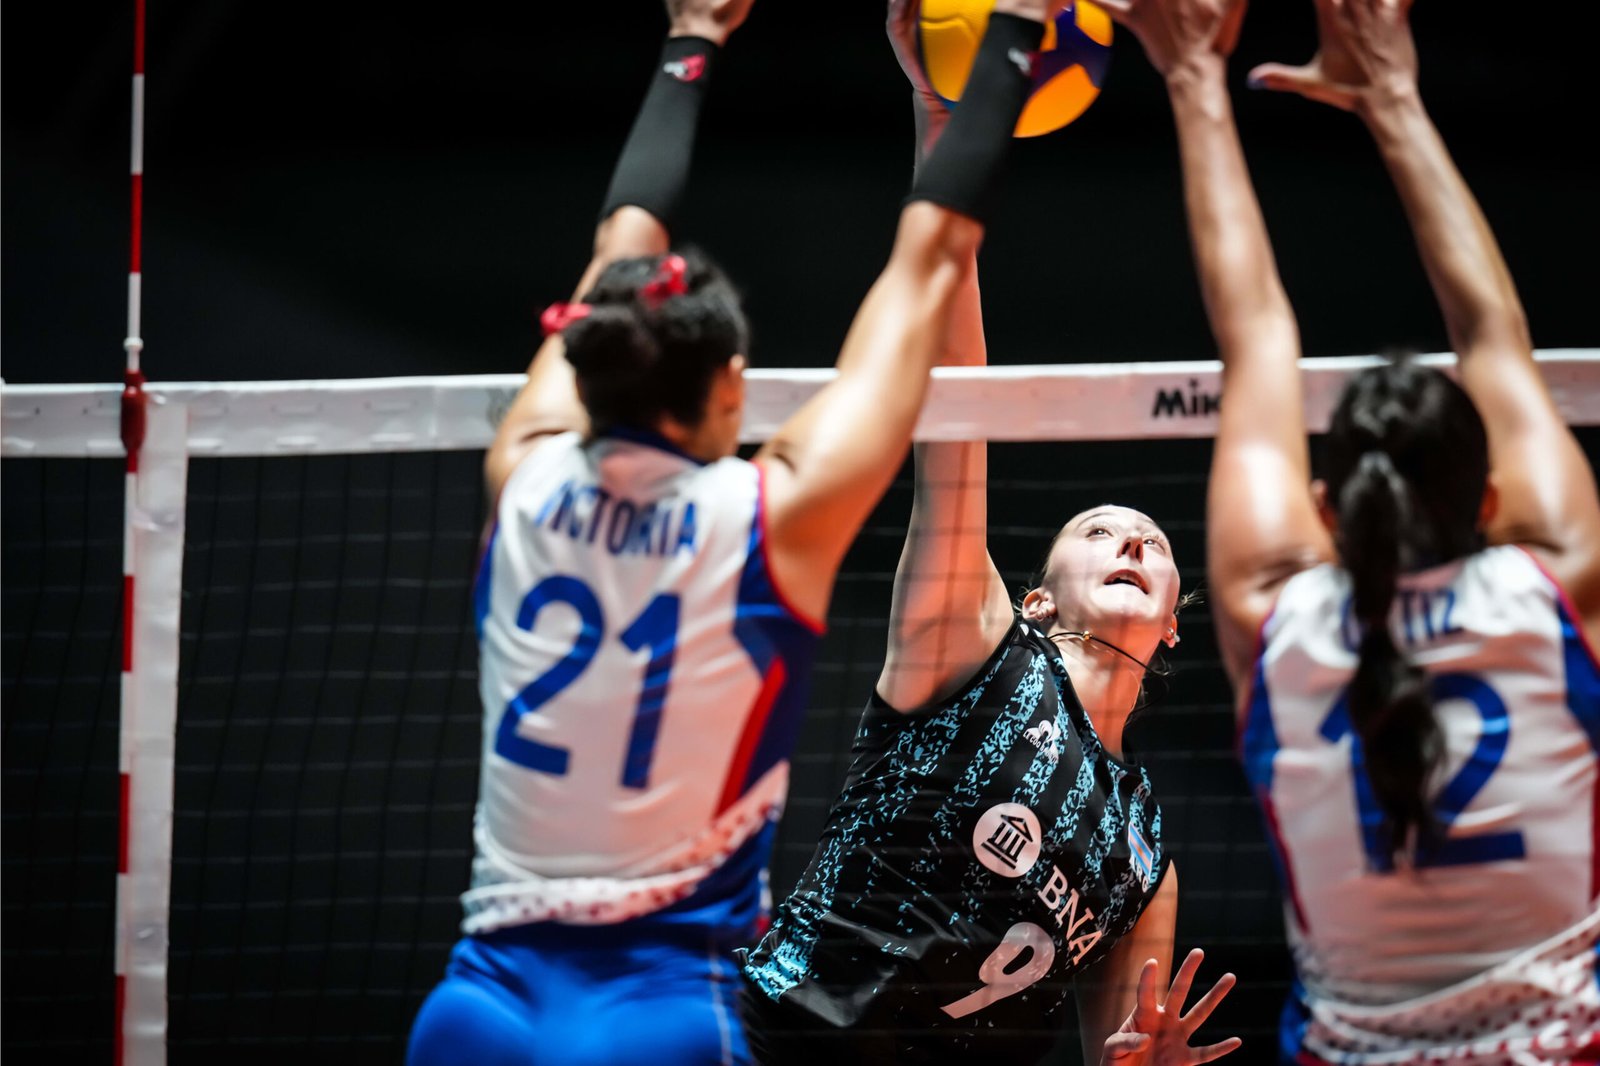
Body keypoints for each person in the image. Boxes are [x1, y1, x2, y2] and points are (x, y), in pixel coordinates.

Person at [405, 0, 1073, 1062]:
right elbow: (930, 256)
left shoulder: (523, 467)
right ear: (729, 386)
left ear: (587, 364)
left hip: (475, 1004)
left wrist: (690, 39)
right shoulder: (767, 521)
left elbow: (624, 237)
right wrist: (1014, 30)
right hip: (651, 1011)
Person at [737, 5, 1242, 1064]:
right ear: (1036, 598)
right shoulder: (974, 649)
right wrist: (939, 117)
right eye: (1101, 529)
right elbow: (954, 408)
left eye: (1149, 541)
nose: (1134, 542)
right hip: (781, 1044)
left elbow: (1118, 1041)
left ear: (1172, 626)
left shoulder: (1146, 854)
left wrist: (1139, 1059)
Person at [1104, 0, 1600, 1058]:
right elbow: (1491, 335)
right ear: (1491, 498)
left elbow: (1255, 337)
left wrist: (1194, 74)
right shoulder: (1558, 584)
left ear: (1325, 514)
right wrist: (1393, 97)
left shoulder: (1271, 613)